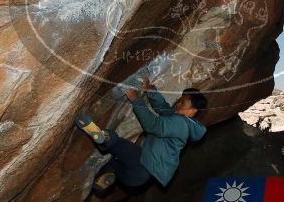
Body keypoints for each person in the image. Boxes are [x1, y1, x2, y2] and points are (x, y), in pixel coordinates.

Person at [75, 78, 207, 192]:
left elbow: (152, 125)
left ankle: (104, 137)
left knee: (119, 144)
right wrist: (150, 89)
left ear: (192, 111)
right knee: (113, 164)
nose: (178, 103)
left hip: (142, 166)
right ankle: (109, 176)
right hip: (136, 180)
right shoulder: (181, 121)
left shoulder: (181, 124)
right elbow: (163, 108)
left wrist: (135, 99)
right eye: (179, 100)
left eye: (182, 103)